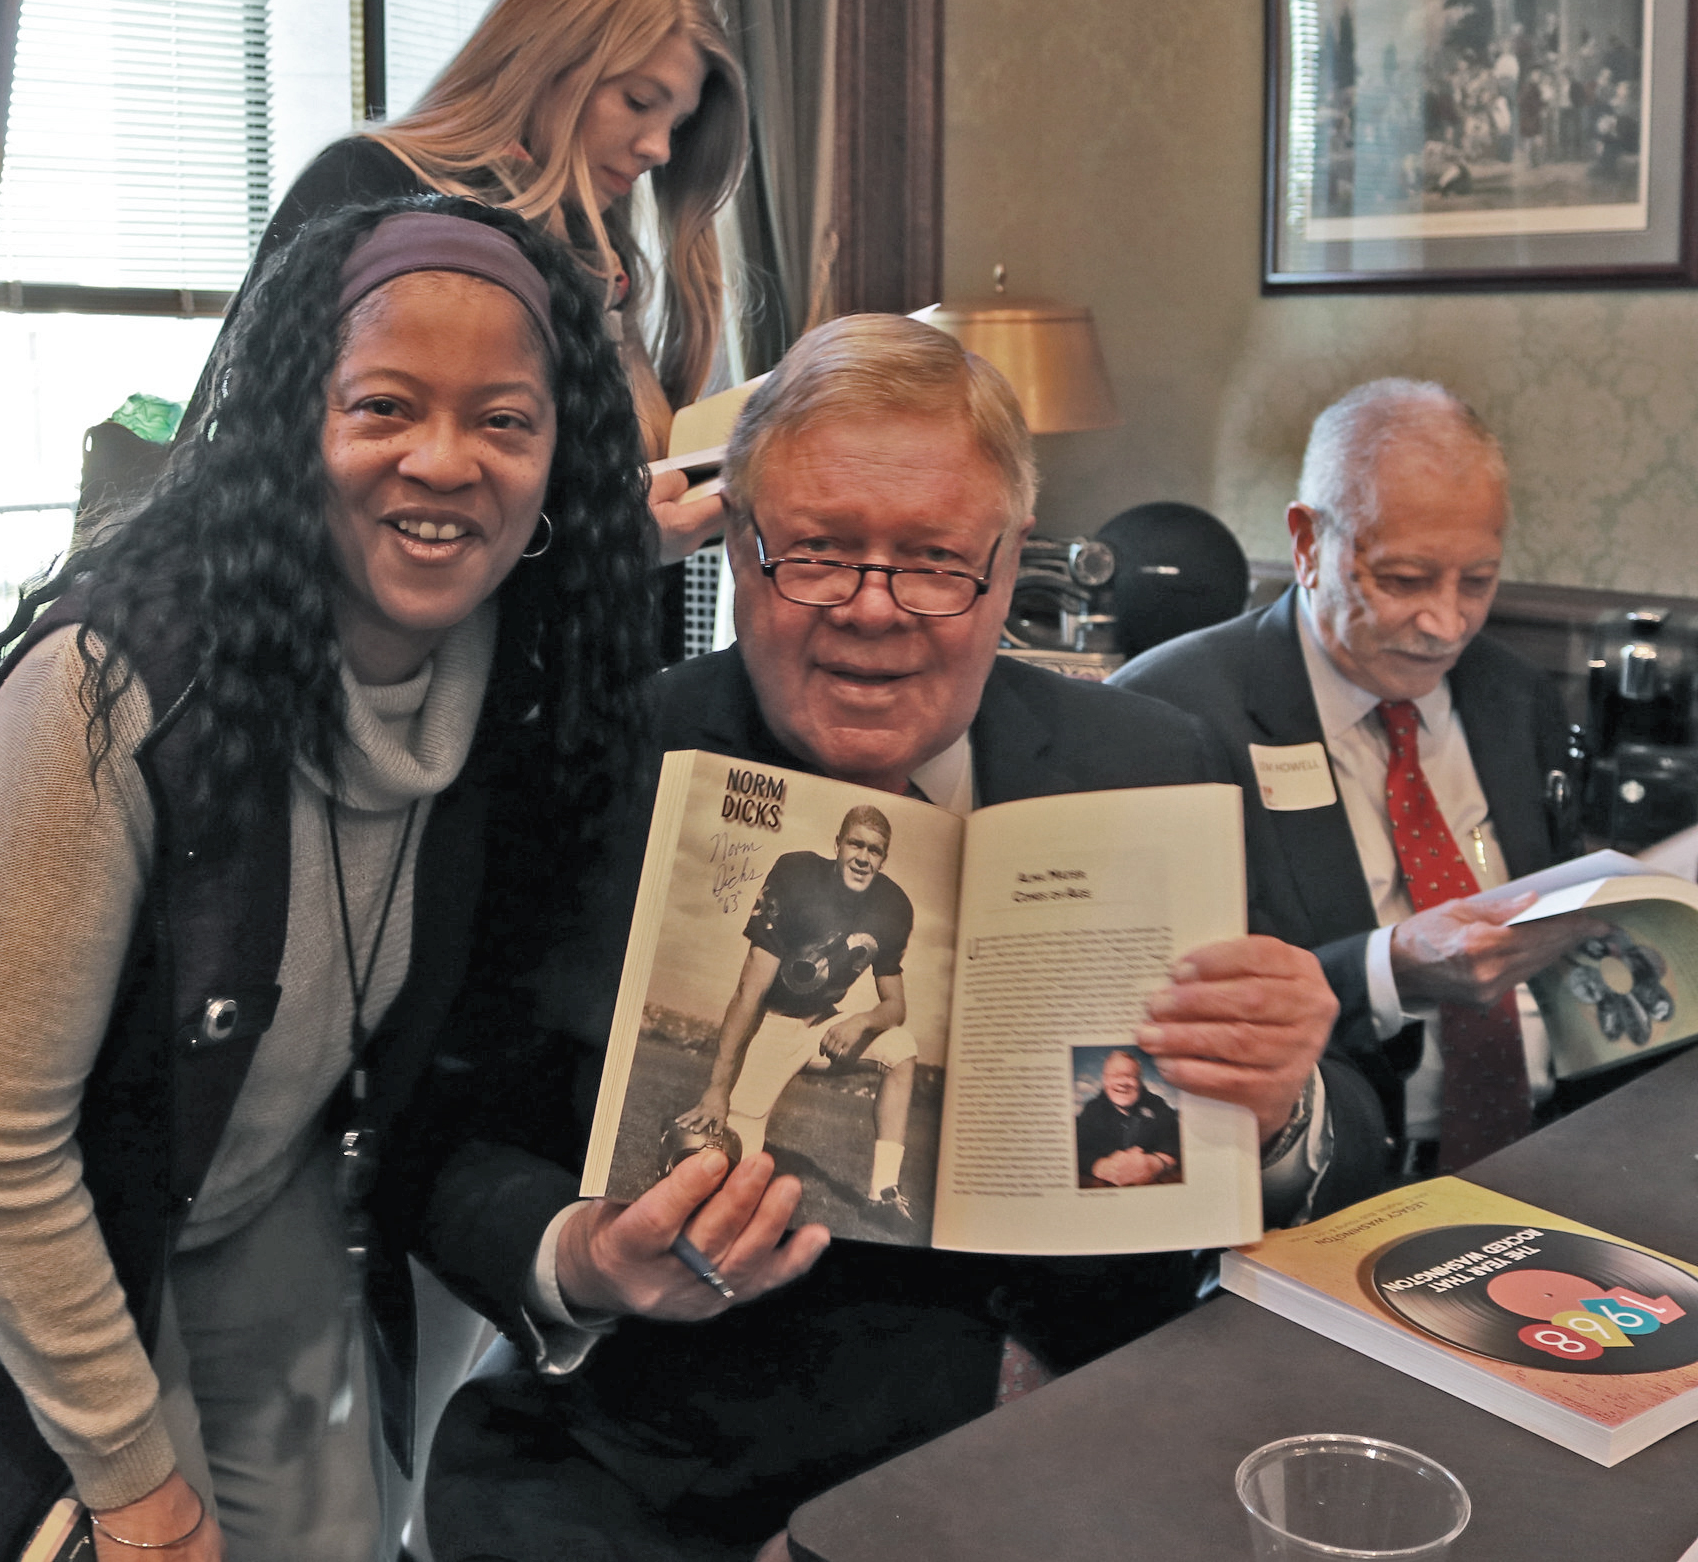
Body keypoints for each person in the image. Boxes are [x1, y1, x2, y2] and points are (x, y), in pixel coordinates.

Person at [0, 196, 662, 1562]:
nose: (444, 460)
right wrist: (139, 1490)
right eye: (383, 407)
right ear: (294, 426)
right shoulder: (113, 687)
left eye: (504, 419)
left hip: (251, 1192)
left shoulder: (523, 695)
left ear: (560, 461)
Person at [412, 313, 1390, 1562]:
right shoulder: (591, 766)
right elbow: (440, 1144)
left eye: (934, 560)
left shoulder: (1151, 762)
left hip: (1079, 1447)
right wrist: (587, 1259)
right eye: (817, 553)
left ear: (1011, 558)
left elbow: (1338, 1124)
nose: (873, 612)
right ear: (740, 549)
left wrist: (1279, 1105)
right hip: (669, 1469)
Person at [1112, 379, 1605, 1175]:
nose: (1447, 625)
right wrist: (1391, 966)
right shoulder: (1168, 714)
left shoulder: (1514, 697)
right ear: (1307, 544)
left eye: (1477, 581)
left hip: (1557, 1144)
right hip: (1340, 1173)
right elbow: (1171, 1009)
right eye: (1405, 580)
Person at [236, 0, 748, 568]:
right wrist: (599, 548)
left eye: (676, 124)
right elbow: (256, 452)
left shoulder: (600, 256)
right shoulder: (365, 186)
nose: (660, 149)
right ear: (541, 65)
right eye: (638, 102)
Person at [676, 805, 922, 1222]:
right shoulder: (795, 875)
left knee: (902, 1048)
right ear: (838, 844)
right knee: (732, 1176)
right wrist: (718, 1087)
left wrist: (860, 1020)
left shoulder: (894, 907)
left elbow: (895, 1006)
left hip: (822, 1029)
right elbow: (748, 988)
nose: (863, 857)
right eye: (856, 844)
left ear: (884, 858)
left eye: (875, 851)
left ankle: (883, 1193)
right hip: (769, 1027)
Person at [1074, 1050, 1181, 1187]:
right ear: (1105, 1080)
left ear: (1139, 1081)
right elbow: (1078, 1149)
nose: (1123, 1082)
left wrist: (1156, 1163)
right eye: (1115, 1075)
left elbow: (1176, 1141)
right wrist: (1099, 1166)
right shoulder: (1091, 1109)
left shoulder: (1158, 1106)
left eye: (1131, 1076)